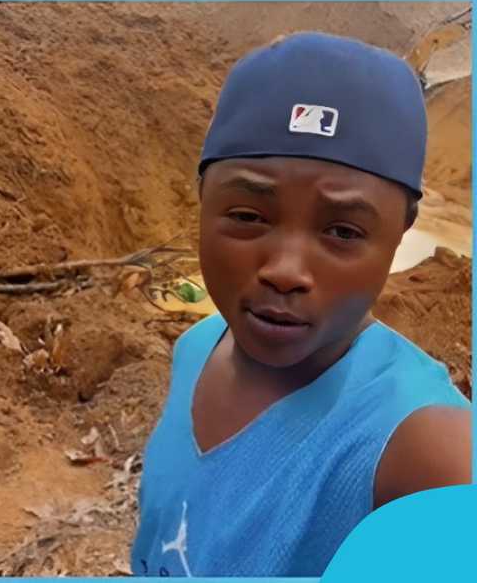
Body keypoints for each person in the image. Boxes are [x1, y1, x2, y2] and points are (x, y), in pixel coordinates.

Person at [131, 32, 471, 577]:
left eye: (341, 230)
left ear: (401, 233)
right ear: (201, 200)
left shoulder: (425, 450)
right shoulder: (195, 349)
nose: (285, 271)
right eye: (248, 216)